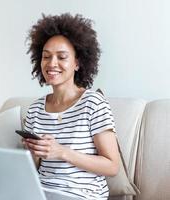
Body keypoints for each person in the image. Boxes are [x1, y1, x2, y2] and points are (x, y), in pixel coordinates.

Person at [23, 13, 119, 200]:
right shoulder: (35, 110)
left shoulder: (93, 104)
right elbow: (33, 169)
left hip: (81, 196)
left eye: (62, 57)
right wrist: (32, 152)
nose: (52, 64)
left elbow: (112, 166)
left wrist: (62, 152)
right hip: (40, 193)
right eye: (46, 57)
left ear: (77, 63)